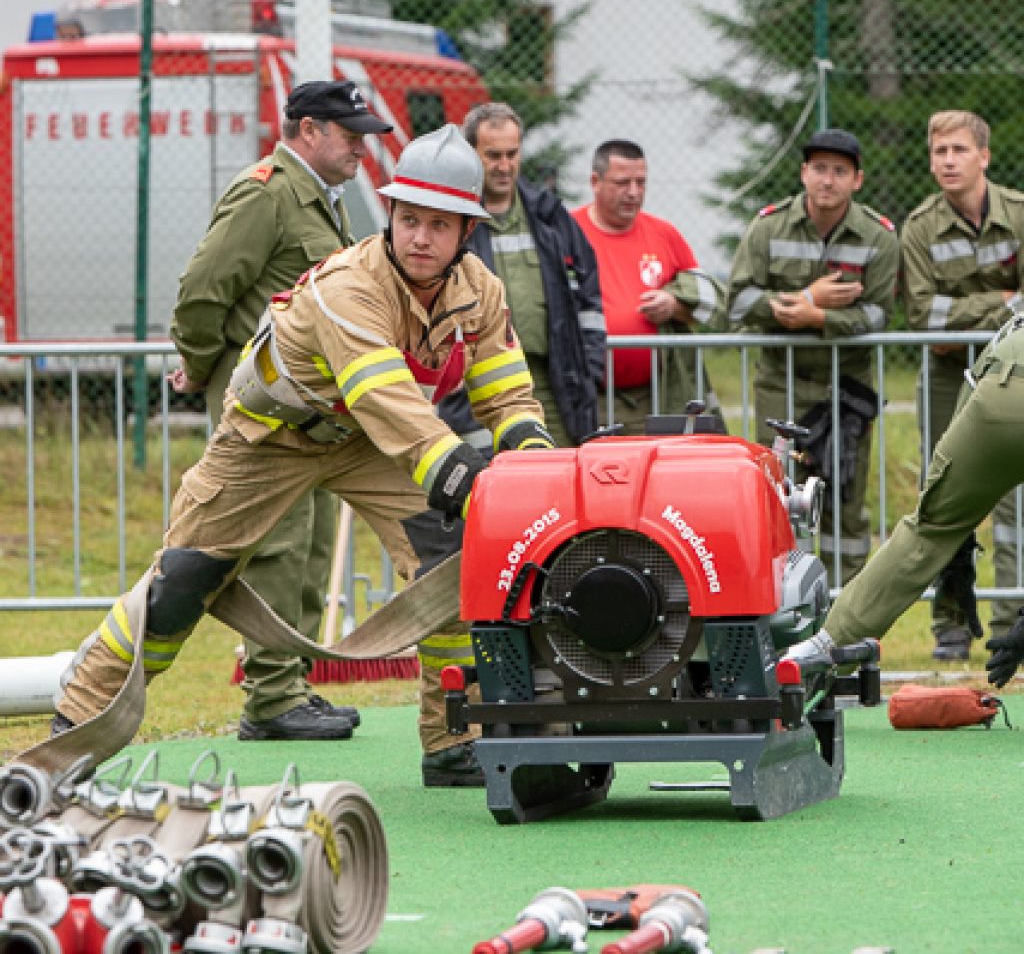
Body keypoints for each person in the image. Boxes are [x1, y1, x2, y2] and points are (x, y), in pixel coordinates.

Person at [51, 125, 554, 787]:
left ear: (467, 232)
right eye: (408, 220)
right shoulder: (348, 286)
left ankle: (453, 739)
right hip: (270, 438)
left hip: (365, 441)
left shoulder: (478, 290)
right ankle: (73, 733)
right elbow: (388, 402)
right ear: (391, 217)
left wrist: (534, 455)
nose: (420, 237)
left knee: (453, 565)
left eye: (438, 224)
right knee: (182, 586)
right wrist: (472, 480)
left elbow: (505, 389)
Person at [168, 79, 393, 742]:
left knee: (313, 541)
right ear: (308, 130)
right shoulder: (266, 191)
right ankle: (269, 698)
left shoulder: (320, 197)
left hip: (310, 403)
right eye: (349, 134)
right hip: (265, 402)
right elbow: (203, 291)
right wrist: (208, 367)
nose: (361, 147)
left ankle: (291, 684)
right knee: (279, 541)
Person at [787, 315, 1024, 690]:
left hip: (994, 390)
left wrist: (955, 545)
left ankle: (819, 650)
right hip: (995, 383)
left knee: (925, 531)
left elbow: (972, 392)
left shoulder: (1014, 324)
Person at [726, 128, 897, 586]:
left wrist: (815, 317)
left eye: (840, 171)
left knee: (845, 506)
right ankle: (782, 609)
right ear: (804, 173)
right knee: (777, 501)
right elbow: (738, 304)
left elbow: (880, 315)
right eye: (819, 168)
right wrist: (804, 298)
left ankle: (847, 612)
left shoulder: (878, 238)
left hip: (848, 392)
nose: (828, 180)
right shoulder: (767, 226)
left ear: (857, 180)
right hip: (780, 387)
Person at [902, 110, 1024, 661]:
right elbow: (926, 321)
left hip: (1015, 375)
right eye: (938, 152)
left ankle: (1014, 622)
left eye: (958, 150)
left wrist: (965, 318)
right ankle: (950, 628)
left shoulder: (1019, 214)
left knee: (1016, 505)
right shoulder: (919, 226)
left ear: (984, 156)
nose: (947, 161)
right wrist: (1003, 303)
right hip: (948, 379)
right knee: (945, 497)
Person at [455, 102, 605, 447]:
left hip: (555, 387)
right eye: (493, 156)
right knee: (496, 490)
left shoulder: (549, 216)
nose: (505, 167)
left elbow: (589, 299)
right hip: (483, 391)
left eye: (512, 154)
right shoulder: (453, 222)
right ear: (471, 154)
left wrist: (589, 370)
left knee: (561, 485)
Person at [571, 139, 727, 435]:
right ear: (595, 182)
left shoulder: (664, 234)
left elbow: (711, 302)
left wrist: (674, 305)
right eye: (622, 183)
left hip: (658, 396)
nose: (633, 192)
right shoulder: (567, 231)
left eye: (641, 183)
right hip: (590, 395)